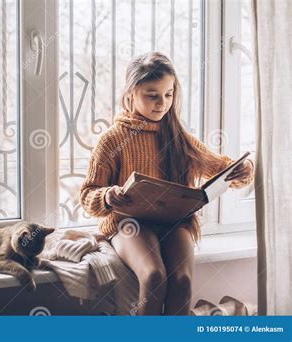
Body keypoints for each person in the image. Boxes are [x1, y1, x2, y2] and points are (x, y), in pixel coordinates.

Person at [79, 51, 254, 315]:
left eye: (169, 94)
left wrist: (245, 170)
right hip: (130, 224)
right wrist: (106, 196)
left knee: (182, 280)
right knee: (153, 276)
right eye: (152, 95)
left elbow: (224, 169)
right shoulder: (113, 140)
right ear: (131, 93)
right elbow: (88, 196)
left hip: (175, 223)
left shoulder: (179, 137)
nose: (162, 103)